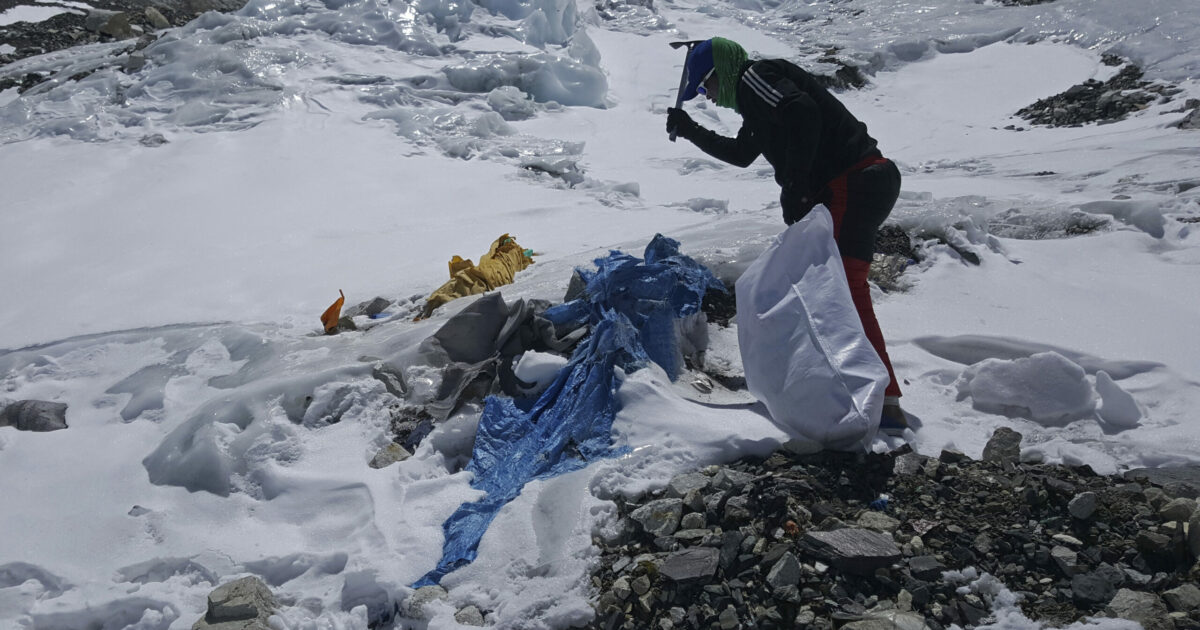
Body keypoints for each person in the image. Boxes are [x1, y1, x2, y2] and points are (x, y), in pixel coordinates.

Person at [665, 37, 910, 435]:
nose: (707, 97)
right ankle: (867, 394)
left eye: (705, 86)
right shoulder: (757, 104)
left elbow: (803, 111)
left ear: (720, 72)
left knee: (846, 289)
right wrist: (690, 129)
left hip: (853, 180)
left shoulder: (754, 77)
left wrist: (795, 184)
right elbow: (743, 154)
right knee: (832, 289)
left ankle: (883, 400)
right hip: (861, 181)